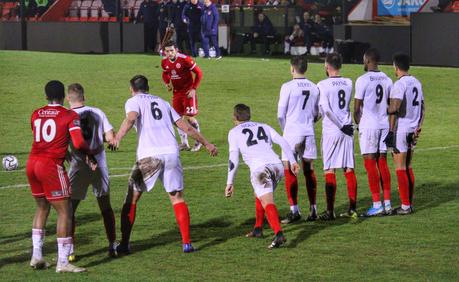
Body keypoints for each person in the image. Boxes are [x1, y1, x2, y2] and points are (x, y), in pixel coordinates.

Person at [110, 75, 217, 254]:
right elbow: (186, 127)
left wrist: (117, 138)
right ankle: (187, 243)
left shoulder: (133, 101)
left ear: (132, 89)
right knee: (177, 198)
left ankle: (124, 244)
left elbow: (131, 118)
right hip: (171, 153)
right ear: (148, 87)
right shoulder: (163, 102)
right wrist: (207, 143)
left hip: (149, 156)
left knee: (131, 199)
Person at [26, 80, 94, 273]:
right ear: (63, 96)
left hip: (32, 164)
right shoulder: (69, 115)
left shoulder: (36, 113)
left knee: (42, 208)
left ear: (46, 96)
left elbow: (45, 139)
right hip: (50, 166)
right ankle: (63, 262)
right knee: (65, 210)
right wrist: (91, 153)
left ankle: (36, 256)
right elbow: (79, 142)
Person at [225, 104, 299, 249]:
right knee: (259, 194)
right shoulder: (264, 126)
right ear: (249, 115)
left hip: (261, 170)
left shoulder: (234, 132)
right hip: (277, 167)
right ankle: (258, 228)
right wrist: (293, 161)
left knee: (267, 201)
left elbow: (233, 159)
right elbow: (283, 141)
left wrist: (229, 182)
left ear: (235, 117)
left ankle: (279, 234)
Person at [66, 83, 117, 260]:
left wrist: (68, 156)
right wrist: (109, 139)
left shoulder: (67, 116)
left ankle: (70, 251)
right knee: (105, 206)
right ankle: (112, 246)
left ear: (68, 99)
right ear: (84, 97)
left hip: (78, 165)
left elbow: (62, 143)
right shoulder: (98, 112)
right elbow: (110, 136)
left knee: (70, 209)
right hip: (99, 163)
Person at [277, 56, 320, 223]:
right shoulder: (315, 87)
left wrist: (285, 130)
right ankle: (314, 209)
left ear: (292, 68)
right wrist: (309, 121)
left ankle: (294, 211)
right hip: (308, 131)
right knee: (309, 170)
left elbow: (280, 114)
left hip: (291, 132)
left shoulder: (287, 87)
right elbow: (318, 112)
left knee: (289, 169)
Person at [353, 48, 393, 217]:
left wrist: (359, 124)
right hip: (384, 124)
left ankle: (377, 204)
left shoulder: (362, 80)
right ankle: (388, 203)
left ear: (368, 61)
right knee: (382, 163)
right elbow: (391, 105)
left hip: (369, 126)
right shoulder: (388, 80)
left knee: (370, 164)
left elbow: (356, 109)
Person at [317, 53, 357, 220]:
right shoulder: (349, 82)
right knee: (348, 168)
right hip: (348, 129)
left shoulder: (322, 84)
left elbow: (326, 110)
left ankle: (330, 211)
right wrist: (345, 126)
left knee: (329, 169)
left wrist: (339, 126)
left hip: (333, 130)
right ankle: (352, 209)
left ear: (327, 66)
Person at [384, 53, 425, 215]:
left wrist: (390, 131)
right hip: (413, 129)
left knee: (400, 167)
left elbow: (394, 109)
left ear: (396, 67)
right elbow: (423, 107)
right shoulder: (417, 82)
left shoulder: (399, 84)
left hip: (401, 130)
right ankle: (409, 202)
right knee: (408, 166)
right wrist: (419, 126)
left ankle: (405, 206)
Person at [161, 40, 203, 151]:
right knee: (177, 118)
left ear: (176, 50)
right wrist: (167, 83)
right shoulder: (164, 62)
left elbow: (199, 73)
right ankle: (184, 143)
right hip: (177, 93)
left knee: (190, 117)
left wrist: (194, 89)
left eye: (171, 50)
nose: (169, 53)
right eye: (167, 51)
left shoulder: (185, 59)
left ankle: (198, 141)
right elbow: (165, 73)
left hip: (188, 92)